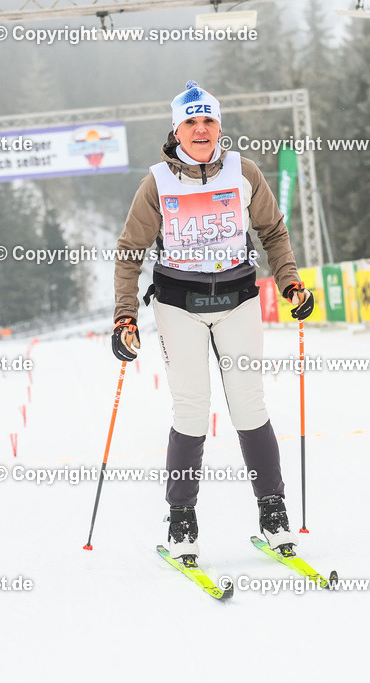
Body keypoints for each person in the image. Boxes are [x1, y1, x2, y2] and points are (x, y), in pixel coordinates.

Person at [112, 81, 314, 565]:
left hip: (239, 297)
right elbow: (129, 254)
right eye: (191, 122)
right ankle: (181, 519)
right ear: (176, 129)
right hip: (179, 304)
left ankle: (273, 510)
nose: (201, 130)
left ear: (218, 126)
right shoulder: (156, 184)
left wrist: (290, 283)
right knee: (191, 407)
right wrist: (125, 315)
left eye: (208, 121)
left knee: (248, 403)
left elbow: (272, 230)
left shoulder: (243, 171)